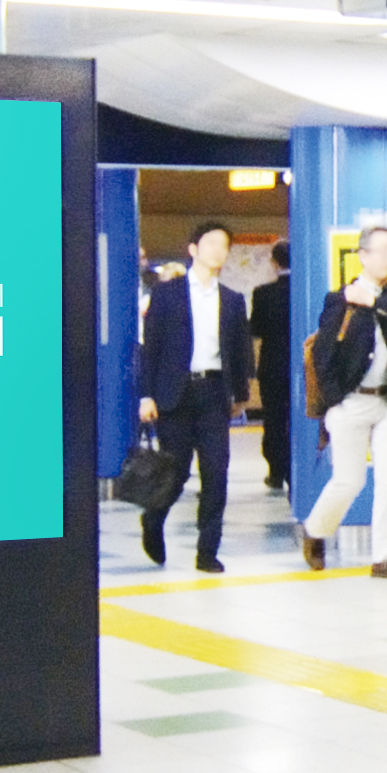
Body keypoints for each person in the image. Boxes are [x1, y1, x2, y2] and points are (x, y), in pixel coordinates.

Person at [301, 225, 387, 580]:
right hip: (351, 403)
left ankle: (384, 557)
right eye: (383, 250)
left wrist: (374, 301)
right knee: (349, 480)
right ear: (363, 255)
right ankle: (316, 529)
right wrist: (335, 398)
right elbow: (322, 353)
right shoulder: (338, 299)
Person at [135, 221, 248, 573]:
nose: (218, 250)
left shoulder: (231, 299)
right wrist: (146, 396)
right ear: (193, 249)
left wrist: (241, 394)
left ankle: (207, 551)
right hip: (175, 395)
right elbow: (149, 349)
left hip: (214, 393)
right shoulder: (167, 294)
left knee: (217, 472)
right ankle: (153, 520)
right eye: (211, 243)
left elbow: (241, 351)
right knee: (176, 473)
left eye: (224, 245)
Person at [247, 239, 294, 493]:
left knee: (274, 419)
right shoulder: (305, 290)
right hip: (301, 364)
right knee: (300, 417)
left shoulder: (262, 293)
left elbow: (256, 329)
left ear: (274, 262)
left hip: (272, 364)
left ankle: (276, 472)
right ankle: (298, 470)